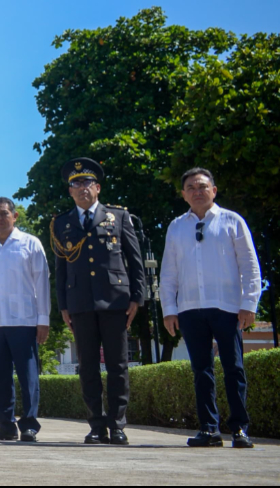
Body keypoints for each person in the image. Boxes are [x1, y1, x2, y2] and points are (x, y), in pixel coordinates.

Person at [161, 168, 262, 449]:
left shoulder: (232, 221)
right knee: (201, 370)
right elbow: (168, 272)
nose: (197, 191)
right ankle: (209, 428)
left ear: (214, 190)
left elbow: (250, 265)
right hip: (190, 308)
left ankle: (240, 429)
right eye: (191, 187)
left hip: (228, 307)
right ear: (183, 194)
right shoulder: (177, 226)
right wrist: (169, 309)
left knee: (234, 368)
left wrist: (248, 303)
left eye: (203, 186)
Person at [50, 157, 144, 445]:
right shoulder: (62, 223)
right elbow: (61, 269)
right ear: (70, 191)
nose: (82, 188)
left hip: (116, 301)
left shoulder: (118, 217)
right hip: (80, 304)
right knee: (88, 367)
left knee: (117, 366)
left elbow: (135, 260)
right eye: (76, 184)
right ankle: (96, 425)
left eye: (87, 182)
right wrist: (63, 305)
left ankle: (117, 425)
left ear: (98, 187)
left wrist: (137, 298)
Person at [0, 197, 51, 442]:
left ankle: (29, 425)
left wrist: (43, 319)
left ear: (15, 216)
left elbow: (42, 282)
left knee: (28, 377)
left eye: (4, 213)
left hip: (24, 320)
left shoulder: (30, 243)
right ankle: (5, 425)